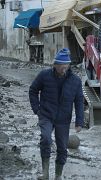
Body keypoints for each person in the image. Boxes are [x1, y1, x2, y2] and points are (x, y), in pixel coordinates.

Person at [29, 48, 84, 180]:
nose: (63, 68)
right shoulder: (44, 75)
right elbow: (33, 90)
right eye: (60, 66)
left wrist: (79, 122)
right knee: (46, 138)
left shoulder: (75, 81)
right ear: (55, 65)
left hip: (63, 119)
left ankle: (58, 175)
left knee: (62, 148)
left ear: (69, 65)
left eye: (65, 65)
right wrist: (37, 109)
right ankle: (45, 173)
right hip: (46, 114)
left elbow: (79, 102)